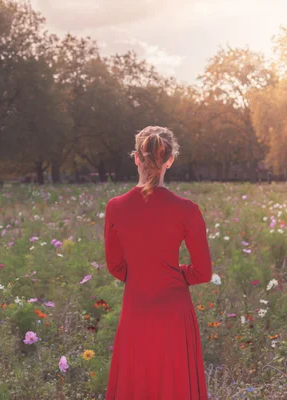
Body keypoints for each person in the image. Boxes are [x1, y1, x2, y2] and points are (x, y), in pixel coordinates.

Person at [104, 126, 212, 399]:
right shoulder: (188, 210)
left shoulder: (115, 207)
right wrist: (176, 274)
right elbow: (202, 272)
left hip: (137, 306)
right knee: (174, 383)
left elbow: (115, 266)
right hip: (174, 311)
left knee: (137, 381)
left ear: (137, 158)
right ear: (169, 161)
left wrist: (143, 274)